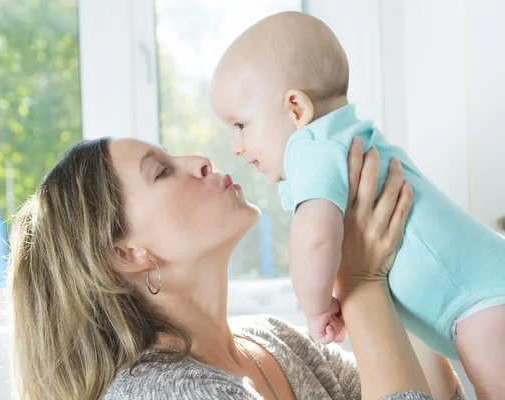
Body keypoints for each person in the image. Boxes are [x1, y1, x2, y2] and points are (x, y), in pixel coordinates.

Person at [6, 136, 463, 399]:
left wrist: (399, 260)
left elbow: (421, 391)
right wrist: (361, 280)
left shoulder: (273, 339)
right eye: (162, 171)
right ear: (127, 253)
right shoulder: (159, 393)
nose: (200, 162)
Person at [209, 11, 505, 397]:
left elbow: (315, 240)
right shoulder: (344, 142)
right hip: (479, 298)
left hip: (482, 302)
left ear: (296, 109)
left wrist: (316, 307)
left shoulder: (312, 148)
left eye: (241, 126)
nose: (236, 146)